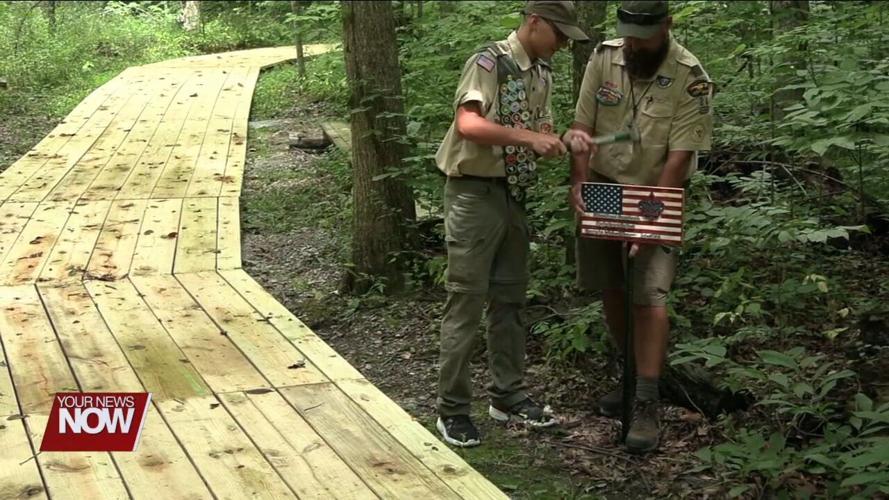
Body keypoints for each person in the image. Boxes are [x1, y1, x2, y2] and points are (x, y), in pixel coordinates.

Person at [434, 1, 590, 448]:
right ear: (534, 22)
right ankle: (452, 410)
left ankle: (507, 395)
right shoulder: (490, 62)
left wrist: (561, 141)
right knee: (466, 301)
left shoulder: (542, 73)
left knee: (510, 299)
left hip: (514, 195)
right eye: (559, 35)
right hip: (474, 194)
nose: (563, 45)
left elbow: (538, 132)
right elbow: (468, 123)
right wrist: (529, 137)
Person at [563, 0, 714, 453]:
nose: (633, 44)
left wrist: (651, 219)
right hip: (604, 184)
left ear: (667, 26)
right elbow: (582, 126)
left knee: (649, 295)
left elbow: (679, 157)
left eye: (642, 37)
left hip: (655, 191)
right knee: (612, 285)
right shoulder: (604, 57)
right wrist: (579, 181)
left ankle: (647, 401)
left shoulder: (690, 77)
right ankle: (628, 379)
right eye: (628, 34)